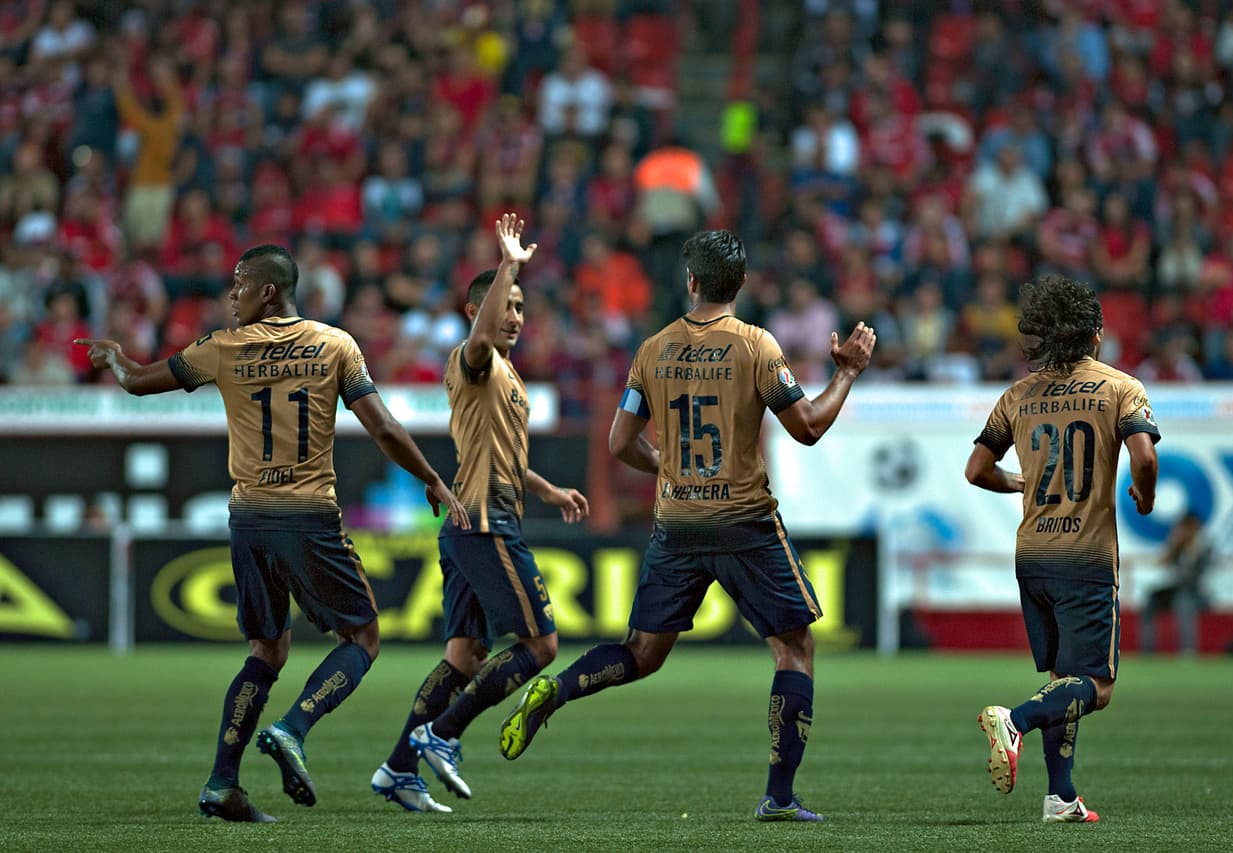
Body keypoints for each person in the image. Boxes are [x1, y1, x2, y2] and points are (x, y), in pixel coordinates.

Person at [76, 244, 467, 823]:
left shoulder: (220, 349)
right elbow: (382, 426)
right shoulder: (335, 345)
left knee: (266, 650)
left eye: (239, 285)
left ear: (268, 291)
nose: (230, 296)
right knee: (361, 640)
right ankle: (293, 727)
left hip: (249, 518)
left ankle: (221, 785)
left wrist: (114, 359)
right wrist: (433, 478)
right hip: (308, 514)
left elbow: (136, 383)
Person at [498, 229, 876, 822]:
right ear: (743, 284)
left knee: (642, 653)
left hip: (676, 522)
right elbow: (806, 426)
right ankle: (779, 796)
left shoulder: (653, 349)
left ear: (691, 281)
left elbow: (620, 441)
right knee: (794, 649)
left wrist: (669, 467)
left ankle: (559, 689)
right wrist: (848, 373)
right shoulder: (757, 347)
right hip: (743, 520)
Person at [371, 214, 589, 812]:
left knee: (464, 656)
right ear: (477, 313)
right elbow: (485, 338)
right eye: (506, 305)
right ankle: (442, 734)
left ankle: (397, 769)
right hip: (486, 522)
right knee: (542, 647)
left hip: (468, 522)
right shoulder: (477, 358)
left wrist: (548, 491)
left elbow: (501, 456)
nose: (515, 315)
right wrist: (511, 263)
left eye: (521, 307)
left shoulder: (508, 377)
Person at [964, 273, 1160, 824]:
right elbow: (1143, 459)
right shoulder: (1120, 387)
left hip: (1033, 556)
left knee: (1064, 681)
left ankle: (1061, 797)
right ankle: (1016, 721)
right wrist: (1143, 497)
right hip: (1087, 556)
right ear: (1095, 335)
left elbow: (977, 470)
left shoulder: (1017, 396)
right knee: (1096, 686)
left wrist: (1021, 483)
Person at [1142, 511, 1212, 655]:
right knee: (1151, 599)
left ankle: (1187, 649)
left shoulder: (1204, 548)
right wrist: (1173, 545)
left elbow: (1195, 577)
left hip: (1196, 593)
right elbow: (1161, 563)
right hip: (1175, 590)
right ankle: (1148, 650)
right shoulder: (1178, 546)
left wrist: (1193, 550)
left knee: (1183, 602)